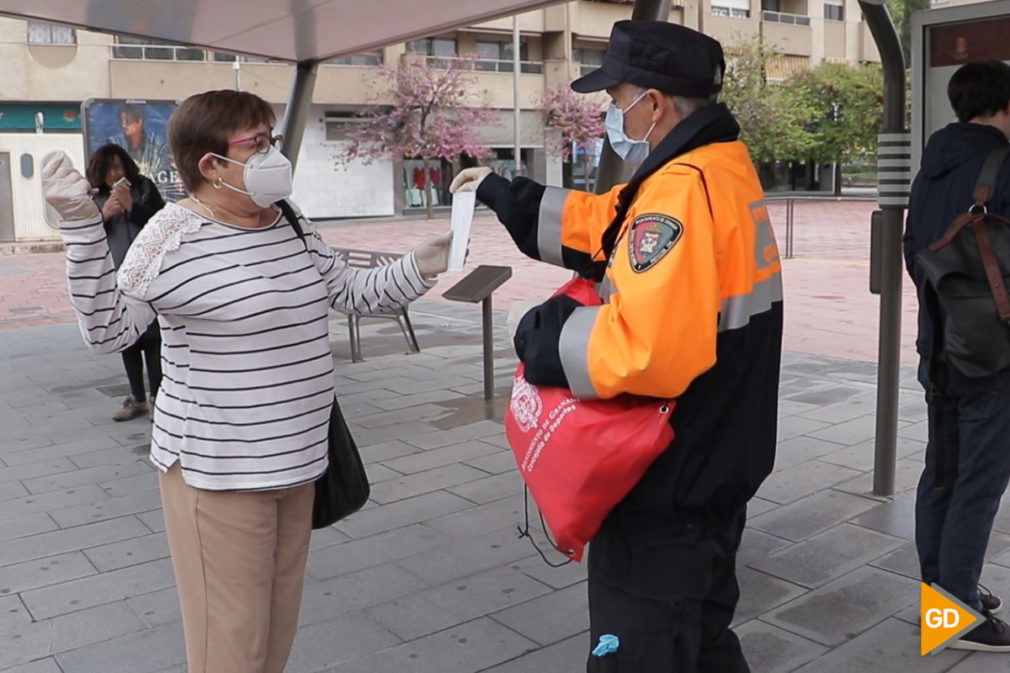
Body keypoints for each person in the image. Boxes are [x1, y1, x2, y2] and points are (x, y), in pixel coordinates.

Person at [43, 89, 452, 673]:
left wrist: (422, 263)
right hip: (220, 475)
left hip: (302, 464)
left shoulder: (289, 220)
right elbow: (110, 331)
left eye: (272, 139)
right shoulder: (170, 234)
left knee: (275, 631)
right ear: (210, 164)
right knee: (229, 647)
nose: (272, 155)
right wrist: (82, 231)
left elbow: (349, 292)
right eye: (256, 143)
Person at [451, 20, 782, 673]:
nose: (611, 111)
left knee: (639, 650)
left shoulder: (680, 190)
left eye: (617, 96)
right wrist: (503, 192)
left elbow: (646, 350)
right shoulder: (718, 164)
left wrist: (543, 338)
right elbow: (610, 225)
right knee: (706, 638)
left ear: (653, 102)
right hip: (719, 460)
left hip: (670, 479)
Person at [903, 60, 1010, 652]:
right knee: (980, 478)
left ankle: (941, 593)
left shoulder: (932, 169)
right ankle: (958, 610)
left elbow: (913, 253)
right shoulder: (1004, 166)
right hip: (992, 353)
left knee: (942, 472)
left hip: (936, 345)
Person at [86, 143, 166, 421]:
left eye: (119, 166)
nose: (114, 173)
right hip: (115, 278)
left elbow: (162, 223)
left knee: (154, 338)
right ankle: (137, 399)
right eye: (108, 168)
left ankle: (158, 398)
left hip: (149, 276)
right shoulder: (92, 197)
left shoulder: (144, 188)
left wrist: (134, 207)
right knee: (127, 340)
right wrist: (103, 214)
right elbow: (85, 236)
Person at [106, 103, 171, 186]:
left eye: (127, 121)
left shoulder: (158, 144)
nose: (123, 125)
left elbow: (166, 173)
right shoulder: (114, 145)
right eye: (121, 121)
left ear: (140, 122)